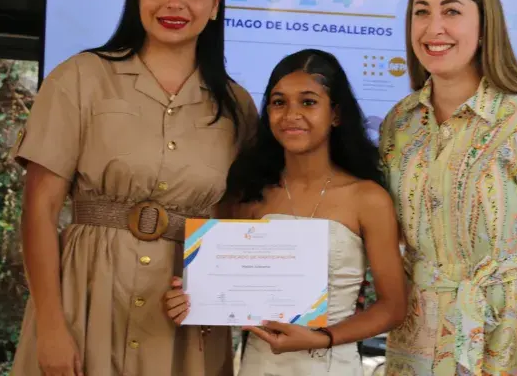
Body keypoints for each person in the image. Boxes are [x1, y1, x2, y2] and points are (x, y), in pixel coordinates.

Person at [10, 0, 258, 376]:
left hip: (184, 322)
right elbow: (39, 210)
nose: (174, 3)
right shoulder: (79, 78)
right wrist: (51, 324)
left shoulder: (238, 108)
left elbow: (235, 222)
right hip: (84, 302)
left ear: (216, 4)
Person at [379, 0, 517, 375]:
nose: (434, 28)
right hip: (417, 350)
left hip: (508, 350)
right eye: (422, 12)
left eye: (451, 11)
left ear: (484, 22)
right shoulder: (399, 124)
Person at [164, 49, 407, 376]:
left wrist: (323, 338)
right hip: (256, 366)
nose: (291, 114)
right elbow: (221, 297)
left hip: (332, 365)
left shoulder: (368, 198)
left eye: (308, 102)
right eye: (279, 102)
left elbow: (393, 307)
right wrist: (191, 300)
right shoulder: (247, 196)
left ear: (335, 114)